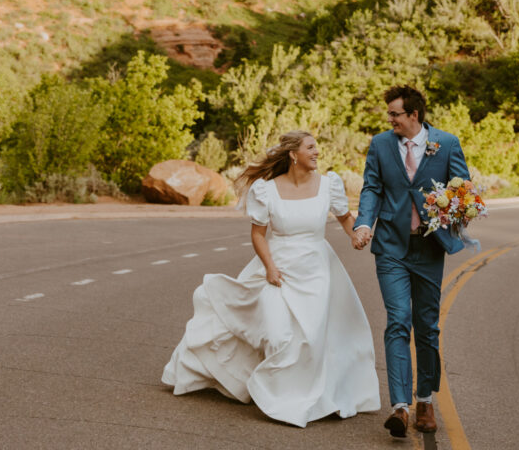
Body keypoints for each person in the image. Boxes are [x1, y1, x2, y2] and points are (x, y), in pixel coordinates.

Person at [162, 130, 381, 427]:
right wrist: (269, 267)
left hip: (317, 271)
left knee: (311, 337)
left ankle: (298, 397)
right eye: (311, 147)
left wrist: (356, 234)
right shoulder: (266, 190)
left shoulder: (330, 185)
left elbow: (344, 217)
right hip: (276, 268)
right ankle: (270, 389)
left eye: (317, 147)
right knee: (277, 335)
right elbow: (258, 234)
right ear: (293, 154)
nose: (317, 152)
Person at [352, 85, 470, 439]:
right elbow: (372, 187)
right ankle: (400, 407)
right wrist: (363, 222)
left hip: (429, 248)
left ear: (414, 115)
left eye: (394, 114)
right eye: (389, 114)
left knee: (427, 326)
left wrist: (456, 207)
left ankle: (424, 400)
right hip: (391, 246)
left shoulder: (446, 144)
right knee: (398, 321)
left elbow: (462, 186)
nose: (390, 120)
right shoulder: (380, 144)